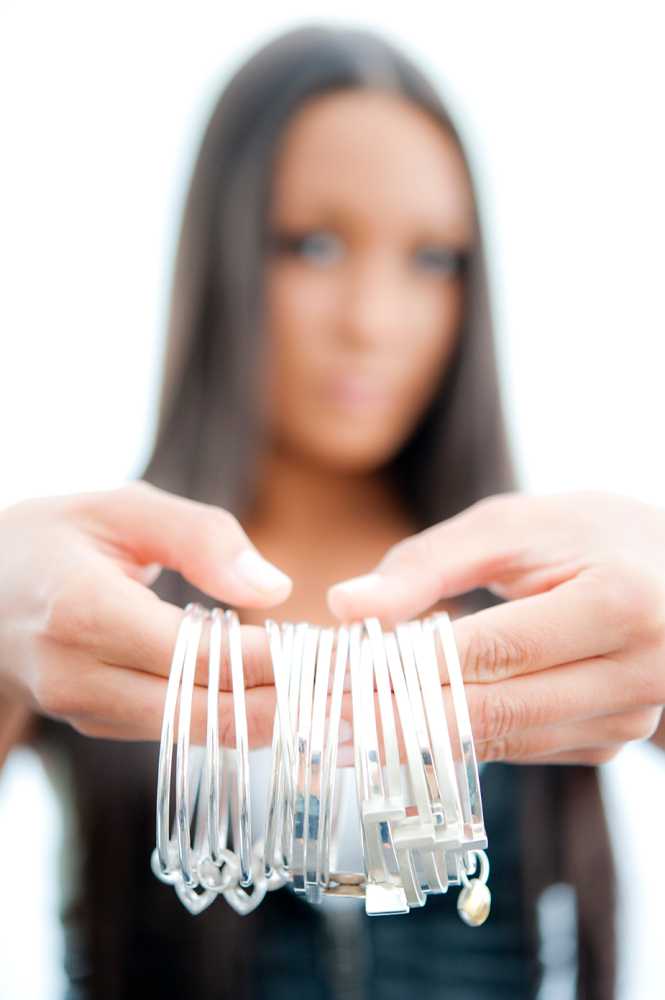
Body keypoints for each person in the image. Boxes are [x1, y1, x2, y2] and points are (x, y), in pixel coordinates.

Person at [1, 23, 664, 1000]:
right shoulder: (85, 598)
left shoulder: (568, 602)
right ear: (222, 251)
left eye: (432, 259)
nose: (371, 319)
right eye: (312, 245)